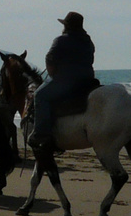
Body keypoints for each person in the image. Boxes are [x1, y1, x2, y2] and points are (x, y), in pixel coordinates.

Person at [28, 11, 96, 150]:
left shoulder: (61, 40)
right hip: (87, 80)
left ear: (67, 26)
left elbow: (50, 59)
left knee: (40, 96)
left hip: (67, 80)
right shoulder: (88, 41)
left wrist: (53, 74)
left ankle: (42, 134)